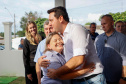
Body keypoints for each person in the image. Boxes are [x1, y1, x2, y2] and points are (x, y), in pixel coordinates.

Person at [38, 6, 106, 84]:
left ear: (60, 18)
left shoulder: (76, 30)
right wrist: (40, 61)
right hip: (76, 79)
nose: (49, 24)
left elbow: (78, 59)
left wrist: (56, 73)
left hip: (91, 79)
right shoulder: (61, 36)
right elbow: (53, 53)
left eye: (51, 20)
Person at [95, 14, 126, 84]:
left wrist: (123, 78)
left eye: (105, 24)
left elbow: (125, 59)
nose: (102, 26)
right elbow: (96, 55)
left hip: (116, 78)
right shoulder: (98, 38)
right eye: (101, 24)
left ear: (112, 23)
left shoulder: (122, 38)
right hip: (100, 77)